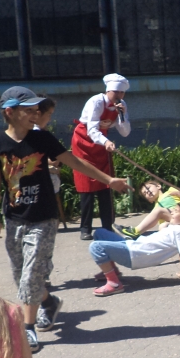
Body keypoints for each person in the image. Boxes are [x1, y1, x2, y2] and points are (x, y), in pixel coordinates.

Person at [0, 86, 130, 353]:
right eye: (29, 110)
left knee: (31, 274)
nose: (35, 114)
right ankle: (49, 302)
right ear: (10, 112)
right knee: (21, 274)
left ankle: (27, 329)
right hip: (14, 217)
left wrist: (109, 180)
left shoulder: (43, 139)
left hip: (44, 217)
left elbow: (75, 162)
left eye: (36, 110)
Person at [90, 201, 180, 295]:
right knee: (100, 233)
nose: (172, 212)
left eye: (176, 211)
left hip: (135, 255)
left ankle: (114, 283)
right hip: (133, 246)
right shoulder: (176, 228)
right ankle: (112, 270)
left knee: (96, 247)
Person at [70, 74, 131, 240]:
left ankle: (107, 226)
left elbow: (125, 132)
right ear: (108, 91)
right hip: (84, 144)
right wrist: (106, 141)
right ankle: (85, 228)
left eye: (122, 93)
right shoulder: (96, 102)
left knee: (106, 183)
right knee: (86, 186)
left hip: (102, 145)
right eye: (116, 92)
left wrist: (122, 116)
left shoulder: (121, 105)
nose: (119, 96)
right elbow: (92, 130)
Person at [34, 96, 67, 228]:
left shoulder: (42, 132)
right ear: (38, 114)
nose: (50, 119)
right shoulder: (36, 134)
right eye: (49, 114)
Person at [116, 181, 180, 240]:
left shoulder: (170, 192)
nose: (147, 191)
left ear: (158, 186)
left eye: (148, 188)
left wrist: (178, 193)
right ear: (149, 201)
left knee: (159, 211)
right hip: (173, 223)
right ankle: (178, 246)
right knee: (162, 227)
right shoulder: (155, 209)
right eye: (145, 193)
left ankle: (135, 231)